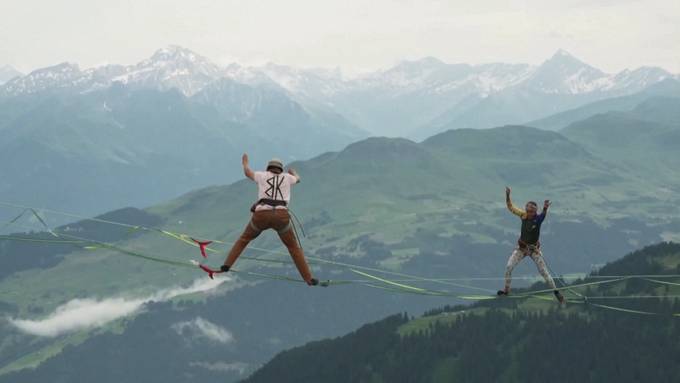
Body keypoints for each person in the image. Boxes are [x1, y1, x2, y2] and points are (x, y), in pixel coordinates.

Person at [220, 153, 319, 286]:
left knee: (244, 239)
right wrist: (294, 172)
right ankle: (309, 278)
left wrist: (245, 163)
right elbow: (298, 179)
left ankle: (226, 266)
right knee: (293, 247)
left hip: (261, 216)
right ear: (281, 169)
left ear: (268, 168)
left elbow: (248, 173)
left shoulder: (262, 176)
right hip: (281, 217)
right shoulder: (288, 178)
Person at [497, 186, 564, 304]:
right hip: (522, 248)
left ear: (534, 212)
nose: (528, 213)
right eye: (527, 210)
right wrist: (508, 195)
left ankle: (556, 292)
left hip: (534, 250)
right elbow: (510, 207)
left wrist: (545, 207)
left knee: (544, 272)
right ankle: (506, 290)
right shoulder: (523, 215)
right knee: (508, 267)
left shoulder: (537, 219)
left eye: (530, 211)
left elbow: (543, 215)